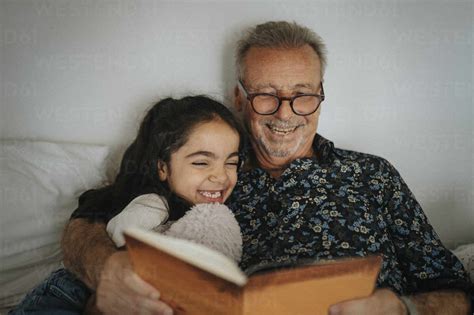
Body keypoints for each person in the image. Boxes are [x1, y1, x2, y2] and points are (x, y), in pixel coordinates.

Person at [23, 21, 473, 315]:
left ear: (320, 95)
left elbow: (456, 290)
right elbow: (88, 221)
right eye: (265, 95)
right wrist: (108, 272)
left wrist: (402, 309)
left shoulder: (372, 175)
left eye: (303, 94)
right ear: (239, 97)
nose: (286, 113)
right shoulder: (209, 169)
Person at [10, 95, 245, 314]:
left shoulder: (211, 215)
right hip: (67, 296)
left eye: (231, 163)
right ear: (162, 167)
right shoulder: (153, 205)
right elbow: (122, 239)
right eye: (202, 163)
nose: (221, 176)